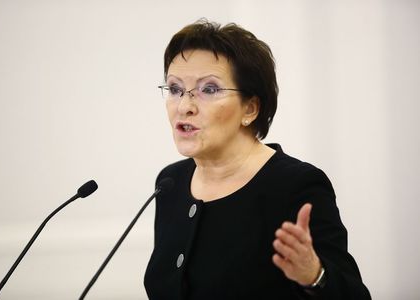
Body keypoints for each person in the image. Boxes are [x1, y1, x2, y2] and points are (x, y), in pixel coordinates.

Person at [144, 19, 371, 300]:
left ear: (250, 108)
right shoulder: (171, 182)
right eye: (175, 89)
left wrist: (314, 275)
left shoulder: (295, 185)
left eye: (209, 89)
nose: (184, 106)